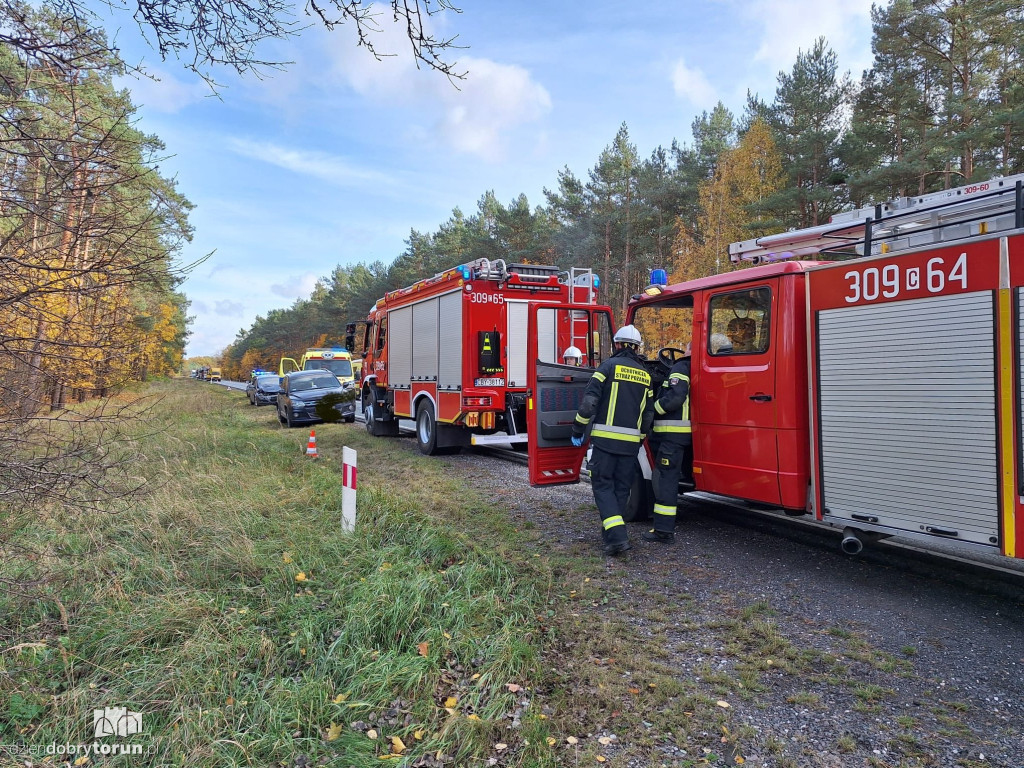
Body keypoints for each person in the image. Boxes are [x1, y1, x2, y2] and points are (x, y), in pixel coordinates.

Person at [571, 325, 655, 556]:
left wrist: (578, 429)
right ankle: (611, 537)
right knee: (620, 489)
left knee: (602, 486)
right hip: (630, 447)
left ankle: (618, 538)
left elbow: (589, 404)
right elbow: (648, 415)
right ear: (636, 347)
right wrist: (639, 439)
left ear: (617, 344)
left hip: (605, 443)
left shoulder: (607, 367)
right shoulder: (645, 375)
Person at [643, 343, 692, 543]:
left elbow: (675, 398)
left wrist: (653, 409)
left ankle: (663, 530)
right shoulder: (693, 368)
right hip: (682, 436)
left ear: (689, 350)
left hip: (671, 437)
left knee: (665, 480)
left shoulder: (681, 366)